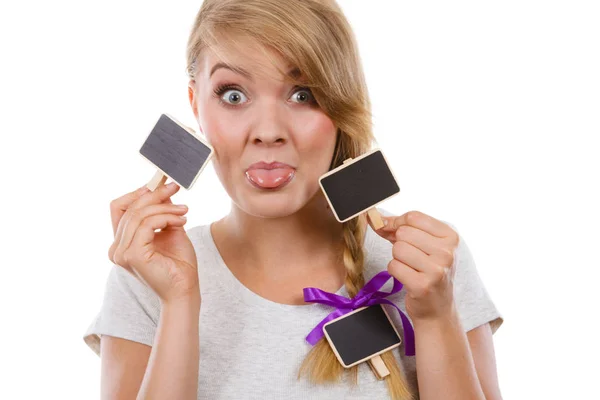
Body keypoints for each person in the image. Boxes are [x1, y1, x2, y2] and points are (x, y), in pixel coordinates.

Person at [83, 0, 504, 399]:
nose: (268, 130)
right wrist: (179, 303)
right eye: (233, 95)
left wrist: (435, 316)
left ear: (342, 108)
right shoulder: (146, 274)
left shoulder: (430, 267)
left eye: (303, 94)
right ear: (196, 106)